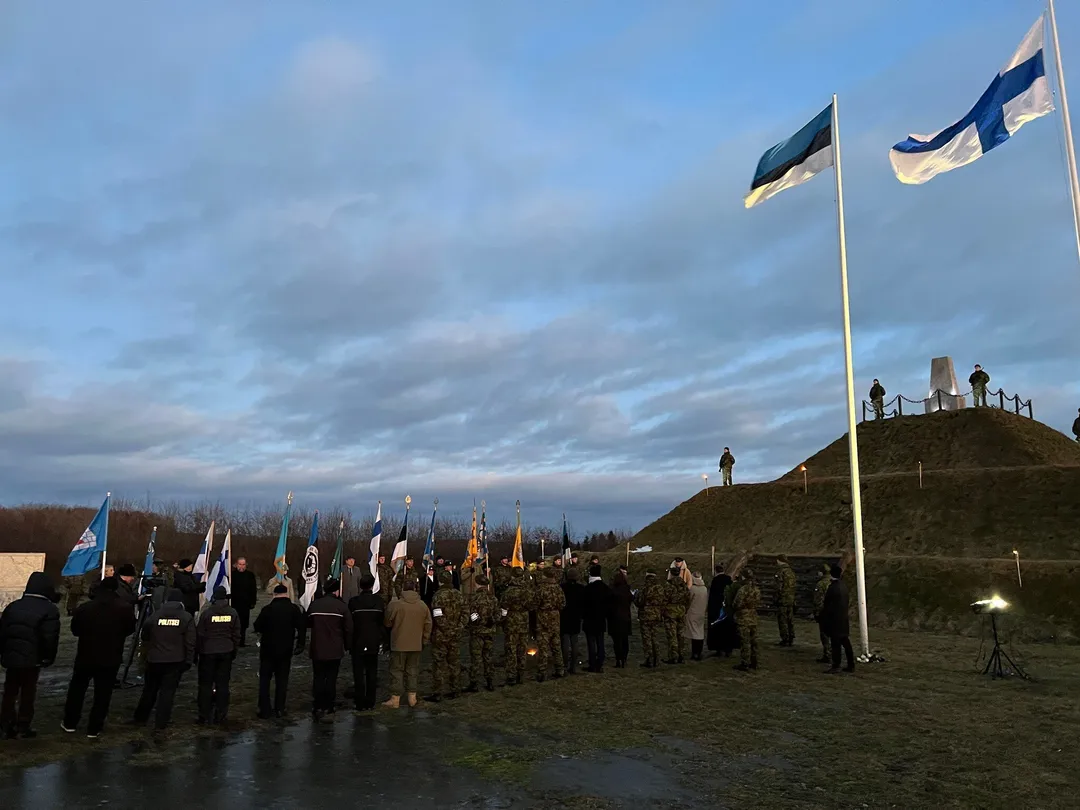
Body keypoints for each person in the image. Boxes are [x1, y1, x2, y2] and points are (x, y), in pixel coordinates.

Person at [61, 576, 137, 738]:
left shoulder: (85, 608)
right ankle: (94, 727)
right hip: (111, 656)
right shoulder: (124, 608)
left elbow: (75, 630)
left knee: (77, 690)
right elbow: (130, 629)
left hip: (86, 654)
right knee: (103, 693)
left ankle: (70, 722)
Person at [0, 572, 61, 739]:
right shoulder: (49, 609)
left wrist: (3, 652)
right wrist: (48, 657)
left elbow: (3, 632)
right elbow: (50, 637)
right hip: (32, 658)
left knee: (10, 691)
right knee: (28, 692)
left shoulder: (13, 607)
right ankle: (23, 725)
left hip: (12, 657)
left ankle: (6, 724)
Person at [132, 588, 196, 731]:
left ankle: (140, 718)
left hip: (154, 659)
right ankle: (161, 722)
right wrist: (188, 660)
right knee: (167, 693)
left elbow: (145, 635)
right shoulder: (186, 617)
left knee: (149, 690)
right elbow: (190, 641)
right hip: (175, 661)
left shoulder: (155, 615)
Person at [253, 584, 306, 719]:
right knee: (282, 680)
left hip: (268, 649)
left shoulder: (267, 609)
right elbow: (302, 627)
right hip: (285, 649)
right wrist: (300, 644)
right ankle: (280, 708)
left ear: (274, 594)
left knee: (265, 680)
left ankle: (264, 709)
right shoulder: (293, 609)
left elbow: (257, 626)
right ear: (287, 594)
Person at [306, 578, 352, 722]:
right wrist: (347, 645)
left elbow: (307, 622)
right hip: (334, 648)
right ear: (337, 591)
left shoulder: (315, 605)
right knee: (331, 678)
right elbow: (349, 628)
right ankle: (329, 706)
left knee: (318, 677)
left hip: (317, 647)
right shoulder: (341, 607)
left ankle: (318, 705)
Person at [194, 585, 240, 725]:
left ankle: (204, 714)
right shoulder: (232, 613)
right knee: (223, 684)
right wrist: (233, 650)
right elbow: (236, 634)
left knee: (205, 684)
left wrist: (198, 652)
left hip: (208, 652)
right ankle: (221, 714)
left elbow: (200, 634)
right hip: (226, 651)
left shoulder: (207, 613)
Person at [383, 579, 431, 709]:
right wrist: (424, 640)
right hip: (416, 643)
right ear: (415, 589)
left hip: (398, 643)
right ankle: (412, 698)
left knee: (396, 670)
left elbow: (387, 622)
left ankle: (395, 699)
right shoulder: (422, 605)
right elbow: (428, 624)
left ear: (403, 589)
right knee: (413, 670)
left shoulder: (395, 605)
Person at [348, 574, 384, 711]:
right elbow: (382, 622)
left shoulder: (354, 602)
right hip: (373, 640)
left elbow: (350, 623)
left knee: (358, 673)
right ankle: (370, 701)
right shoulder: (379, 602)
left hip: (358, 640)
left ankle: (360, 701)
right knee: (372, 672)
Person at [427, 569, 465, 701]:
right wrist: (458, 627)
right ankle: (456, 689)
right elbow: (465, 613)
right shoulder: (459, 594)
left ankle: (437, 692)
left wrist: (447, 629)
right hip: (456, 634)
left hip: (441, 635)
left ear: (440, 581)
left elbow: (437, 615)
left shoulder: (438, 596)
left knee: (439, 663)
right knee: (454, 662)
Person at [466, 573, 498, 692]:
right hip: (489, 631)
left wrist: (478, 622)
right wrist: (492, 621)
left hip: (477, 632)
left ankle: (474, 683)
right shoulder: (493, 598)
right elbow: (498, 613)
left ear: (477, 584)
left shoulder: (473, 598)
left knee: (476, 658)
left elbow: (471, 614)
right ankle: (490, 682)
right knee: (488, 657)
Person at [500, 568, 532, 686]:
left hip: (511, 622)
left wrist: (502, 620)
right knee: (522, 649)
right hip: (524, 621)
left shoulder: (508, 591)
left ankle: (511, 676)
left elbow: (503, 608)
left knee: (511, 649)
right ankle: (521, 674)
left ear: (512, 576)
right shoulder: (527, 590)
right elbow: (532, 605)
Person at [533, 568, 565, 682]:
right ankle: (560, 669)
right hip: (555, 618)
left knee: (543, 647)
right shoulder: (558, 588)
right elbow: (563, 604)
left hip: (543, 618)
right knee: (556, 645)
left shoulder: (540, 588)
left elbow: (535, 604)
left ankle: (542, 672)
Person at [821, 565, 854, 673]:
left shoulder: (832, 588)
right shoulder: (843, 586)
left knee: (835, 644)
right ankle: (851, 664)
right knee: (845, 642)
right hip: (843, 618)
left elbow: (827, 604)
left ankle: (836, 665)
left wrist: (825, 618)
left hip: (834, 619)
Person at [581, 565, 611, 673]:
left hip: (589, 619)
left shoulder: (587, 589)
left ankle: (592, 664)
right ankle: (600, 663)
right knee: (600, 642)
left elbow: (583, 605)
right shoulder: (605, 588)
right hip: (601, 619)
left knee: (591, 643)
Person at [636, 570, 665, 668]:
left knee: (647, 638)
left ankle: (649, 659)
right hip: (656, 615)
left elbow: (640, 601)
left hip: (645, 615)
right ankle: (657, 659)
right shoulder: (660, 587)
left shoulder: (644, 587)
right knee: (655, 637)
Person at [732, 570, 760, 672]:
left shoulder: (743, 590)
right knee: (754, 641)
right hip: (753, 617)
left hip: (743, 618)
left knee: (745, 641)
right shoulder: (756, 589)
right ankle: (754, 661)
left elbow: (737, 604)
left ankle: (745, 663)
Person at [559, 567, 585, 674]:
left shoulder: (562, 587)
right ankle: (573, 665)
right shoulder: (581, 588)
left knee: (565, 642)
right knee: (575, 641)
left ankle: (565, 665)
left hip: (564, 617)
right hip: (576, 617)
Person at [663, 568, 691, 664]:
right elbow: (688, 599)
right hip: (681, 611)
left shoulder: (668, 585)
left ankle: (673, 656)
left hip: (670, 612)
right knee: (681, 635)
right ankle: (681, 655)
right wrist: (685, 609)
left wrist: (664, 610)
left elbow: (664, 599)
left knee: (672, 635)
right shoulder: (684, 585)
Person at [608, 569, 633, 669]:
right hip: (626, 617)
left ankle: (618, 659)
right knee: (625, 639)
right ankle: (624, 659)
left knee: (617, 641)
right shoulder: (627, 590)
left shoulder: (613, 591)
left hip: (615, 618)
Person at [706, 564, 733, 656]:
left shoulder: (715, 581)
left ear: (715, 571)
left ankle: (718, 649)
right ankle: (728, 649)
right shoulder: (729, 580)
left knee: (717, 629)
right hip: (727, 608)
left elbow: (712, 596)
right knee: (727, 629)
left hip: (716, 609)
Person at [232, 558, 258, 646]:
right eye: (240, 564)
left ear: (246, 565)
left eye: (243, 564)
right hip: (234, 603)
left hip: (245, 604)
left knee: (243, 623)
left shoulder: (250, 575)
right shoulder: (232, 575)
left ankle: (242, 641)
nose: (241, 566)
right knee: (234, 623)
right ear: (236, 565)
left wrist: (253, 602)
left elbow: (253, 589)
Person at [685, 573, 708, 661]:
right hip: (701, 612)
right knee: (700, 632)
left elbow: (688, 600)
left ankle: (695, 653)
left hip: (692, 612)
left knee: (694, 633)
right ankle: (699, 652)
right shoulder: (704, 589)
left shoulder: (692, 589)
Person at [813, 563, 832, 664]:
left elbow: (818, 600)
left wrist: (817, 612)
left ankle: (827, 654)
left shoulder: (821, 584)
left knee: (825, 635)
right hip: (834, 612)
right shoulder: (834, 582)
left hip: (824, 612)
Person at [775, 555, 797, 646]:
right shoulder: (791, 572)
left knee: (782, 619)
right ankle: (791, 636)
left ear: (778, 561)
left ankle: (785, 638)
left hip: (783, 599)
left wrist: (776, 598)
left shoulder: (780, 572)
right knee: (790, 619)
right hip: (791, 598)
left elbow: (779, 587)